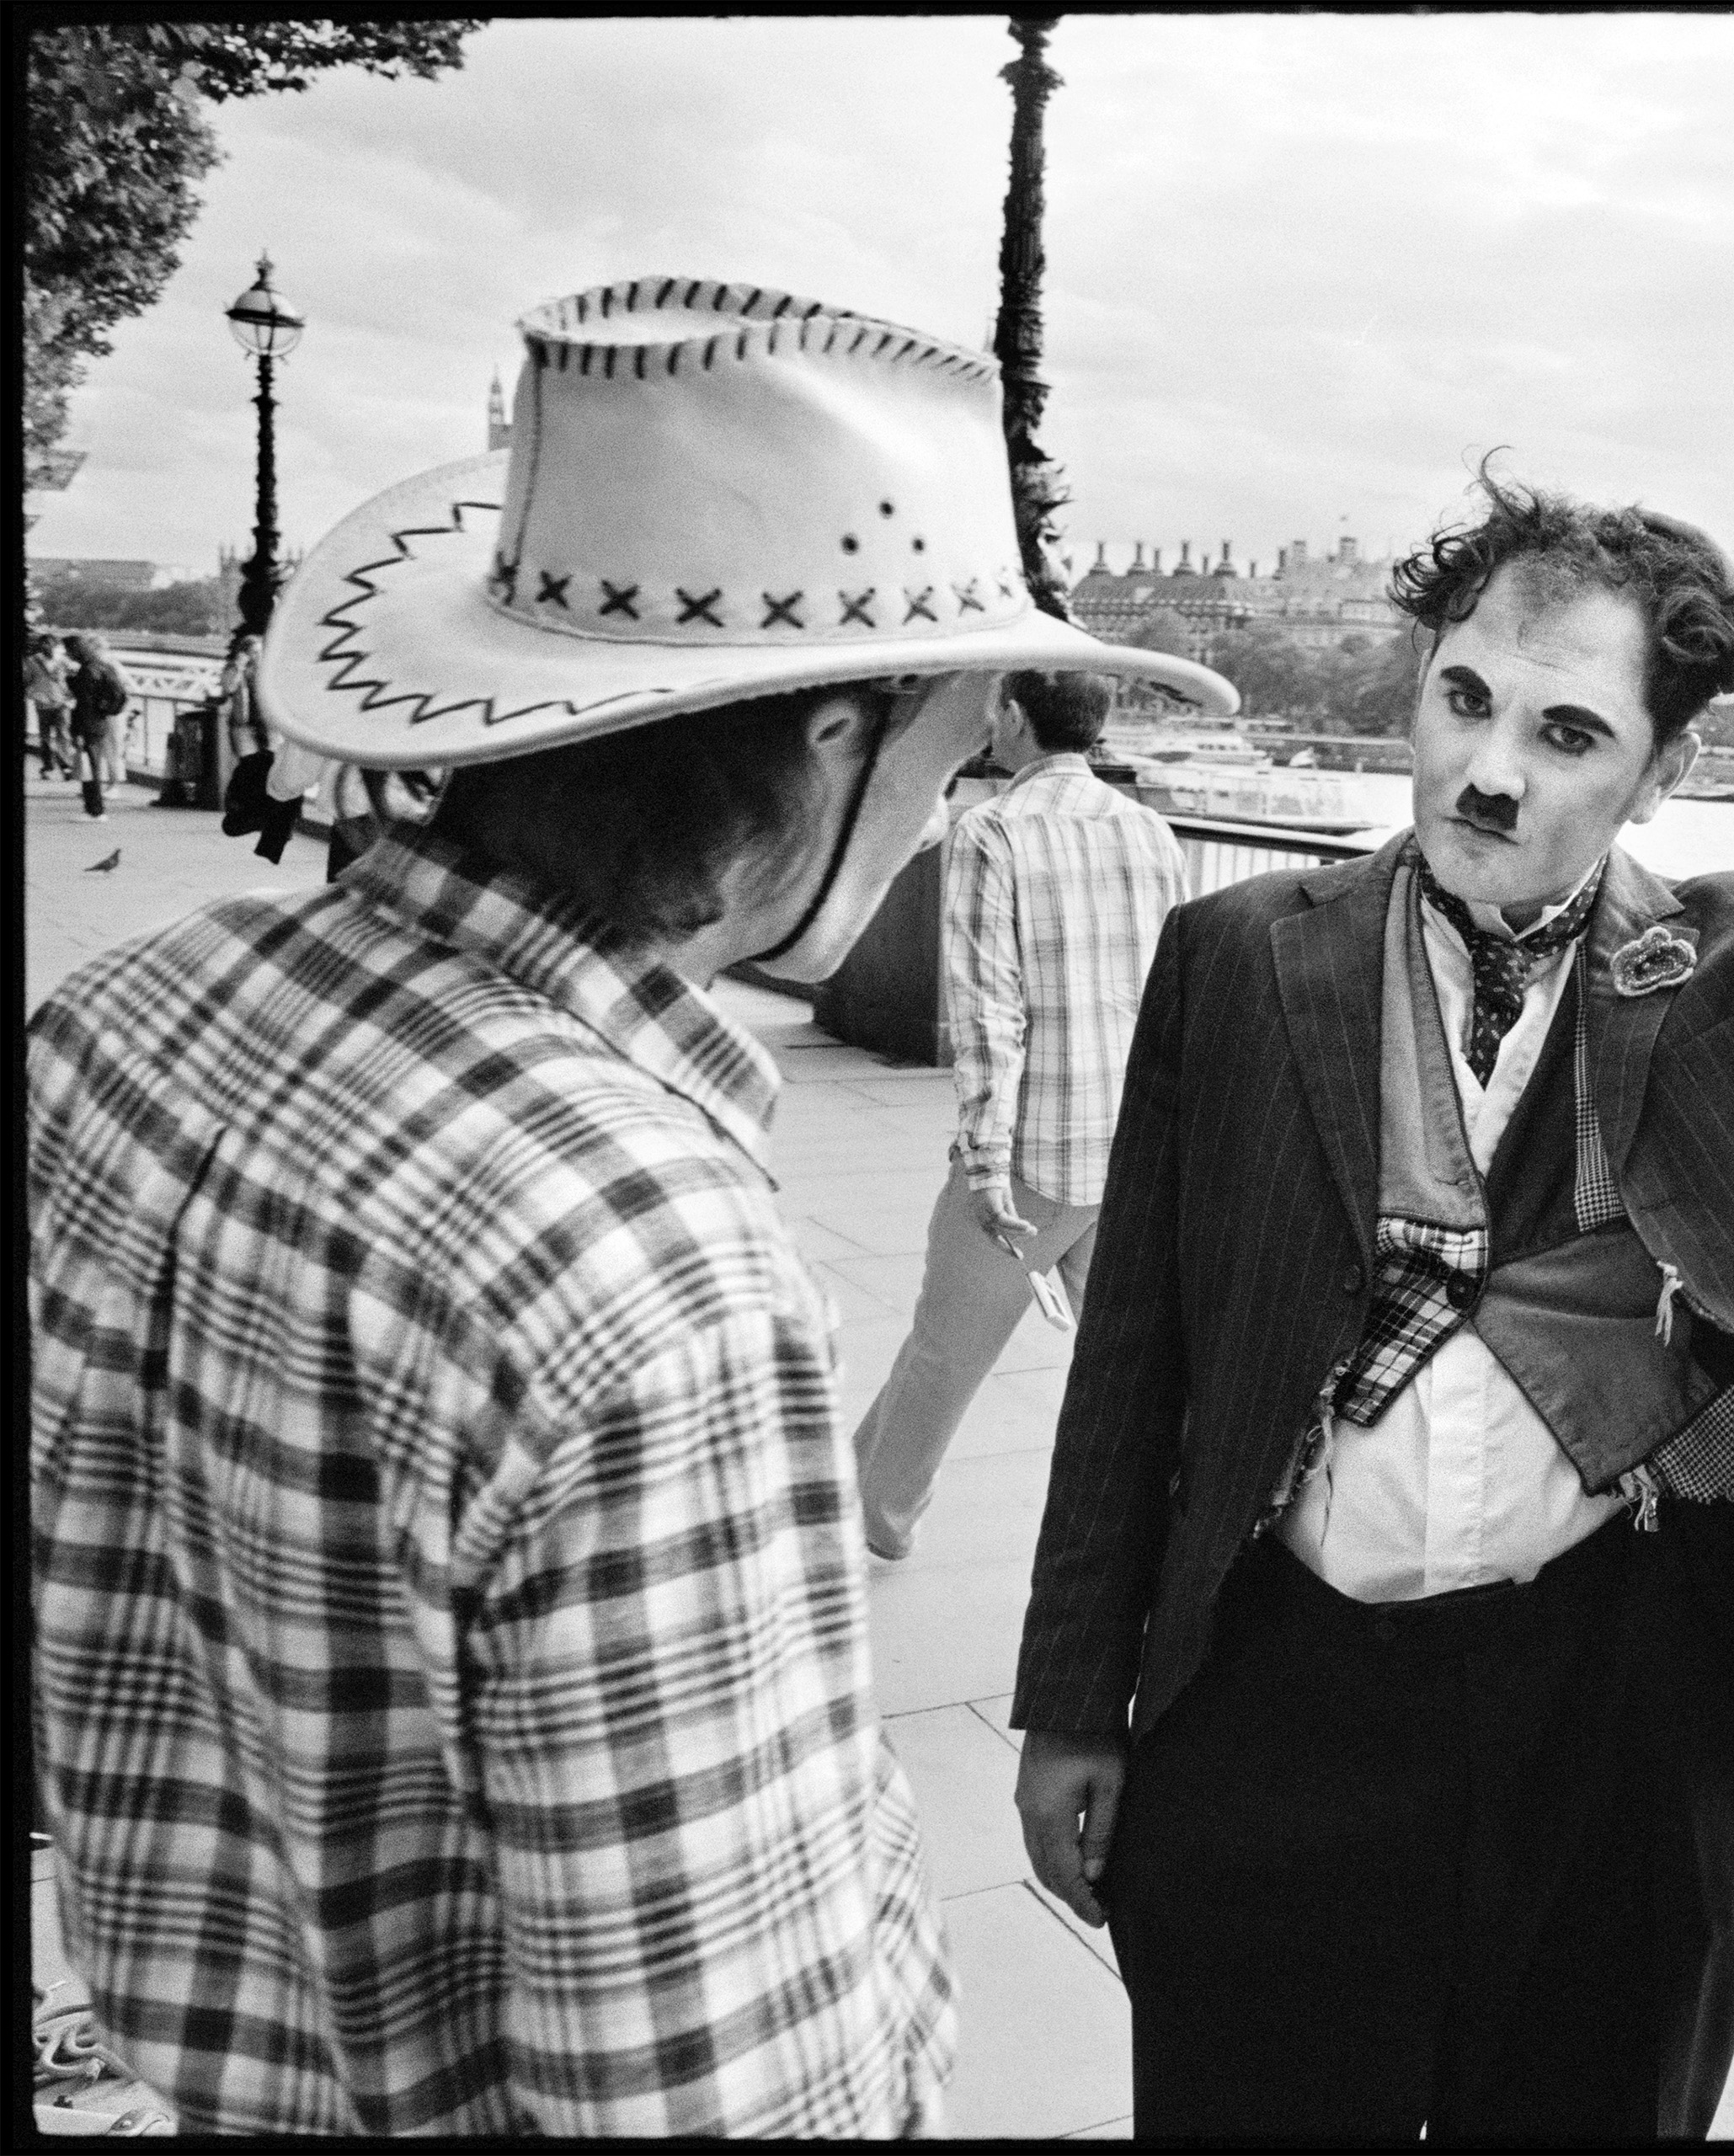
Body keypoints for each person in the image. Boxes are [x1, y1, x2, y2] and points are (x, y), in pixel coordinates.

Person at [26, 274, 1235, 2136]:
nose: (943, 788)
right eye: (945, 729)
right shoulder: (636, 1261)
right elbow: (728, 2079)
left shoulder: (116, 1020)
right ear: (834, 738)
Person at [1009, 469, 1734, 2142]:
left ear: (1663, 771)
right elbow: (1136, 1352)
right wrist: (1076, 1695)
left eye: (1572, 734)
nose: (1488, 771)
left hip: (1630, 1716)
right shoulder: (1233, 955)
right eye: (1464, 697)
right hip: (1283, 1704)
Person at [848, 664, 1186, 1561]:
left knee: (944, 1353)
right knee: (1130, 1370)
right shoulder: (1151, 832)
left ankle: (873, 1518)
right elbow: (1171, 999)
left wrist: (985, 1168)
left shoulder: (992, 831)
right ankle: (1172, 1532)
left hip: (1034, 1156)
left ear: (1013, 716)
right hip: (1129, 1147)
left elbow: (989, 1015)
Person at [62, 631, 128, 819]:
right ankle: (94, 810)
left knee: (89, 768)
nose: (68, 655)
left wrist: (77, 731)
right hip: (101, 721)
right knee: (93, 766)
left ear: (75, 651)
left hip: (88, 725)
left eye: (68, 651)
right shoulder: (103, 666)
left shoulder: (87, 671)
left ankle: (95, 811)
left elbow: (84, 703)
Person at [24, 631, 75, 779]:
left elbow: (73, 677)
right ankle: (50, 766)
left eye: (51, 645)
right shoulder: (32, 661)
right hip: (44, 703)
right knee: (47, 737)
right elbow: (27, 679)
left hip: (61, 703)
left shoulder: (63, 661)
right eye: (45, 645)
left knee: (62, 735)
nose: (48, 648)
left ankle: (63, 766)